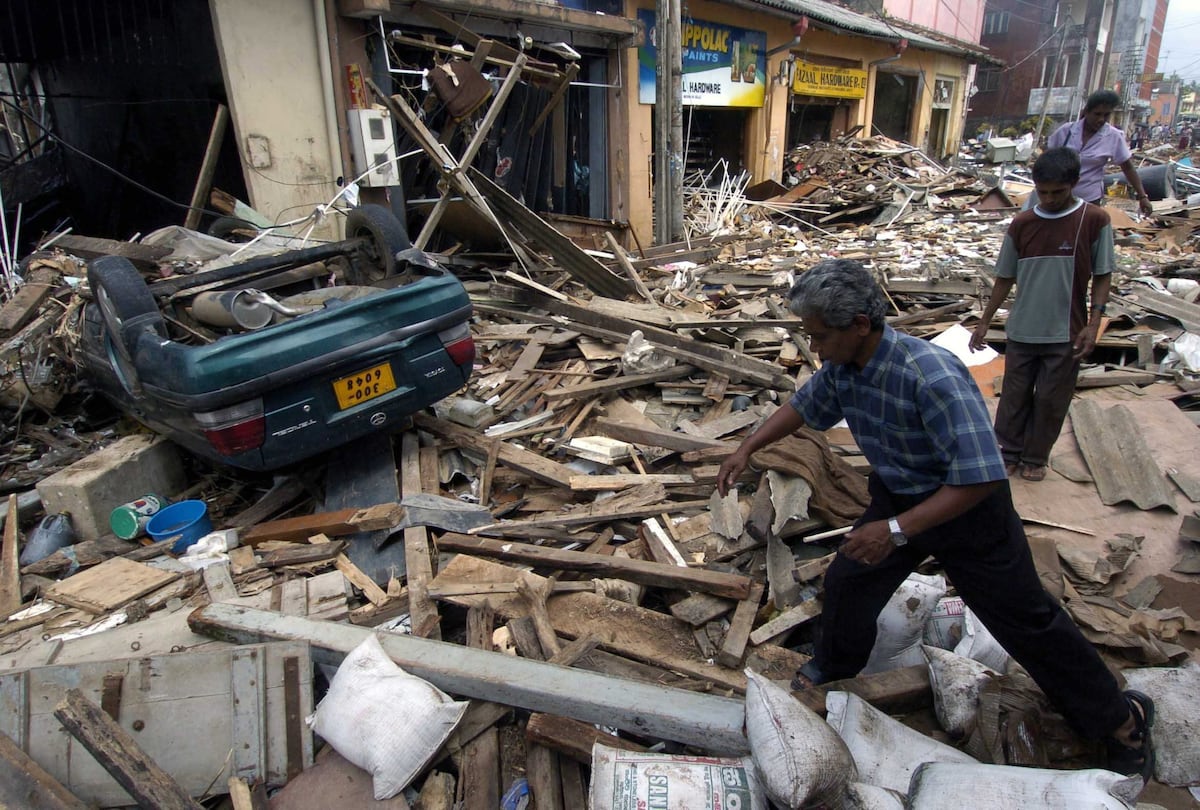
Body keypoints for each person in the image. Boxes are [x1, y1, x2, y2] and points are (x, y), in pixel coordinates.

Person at [716, 258, 1153, 779]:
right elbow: (805, 407)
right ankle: (833, 668)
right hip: (899, 494)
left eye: (820, 336)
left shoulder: (931, 375)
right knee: (850, 580)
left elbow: (981, 477)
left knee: (1026, 620)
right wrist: (748, 447)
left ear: (860, 325)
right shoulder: (844, 366)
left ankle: (1119, 721)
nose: (816, 348)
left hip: (968, 511)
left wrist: (897, 531)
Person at [969, 148, 1113, 483]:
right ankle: (1007, 452)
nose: (1048, 199)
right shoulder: (1023, 224)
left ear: (1074, 184)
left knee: (1051, 399)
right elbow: (1005, 276)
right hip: (1022, 330)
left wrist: (1094, 323)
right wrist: (985, 320)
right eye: (1043, 192)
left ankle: (1036, 457)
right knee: (1014, 398)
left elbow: (1103, 274)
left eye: (1057, 192)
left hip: (1066, 331)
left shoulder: (1093, 221)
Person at [1046, 89, 1153, 215]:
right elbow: (1048, 159)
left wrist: (1142, 196)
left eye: (1106, 115)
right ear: (1087, 111)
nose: (1101, 119)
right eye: (1097, 114)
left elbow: (1128, 168)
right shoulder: (1066, 131)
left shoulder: (1113, 136)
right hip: (1058, 198)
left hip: (1090, 199)